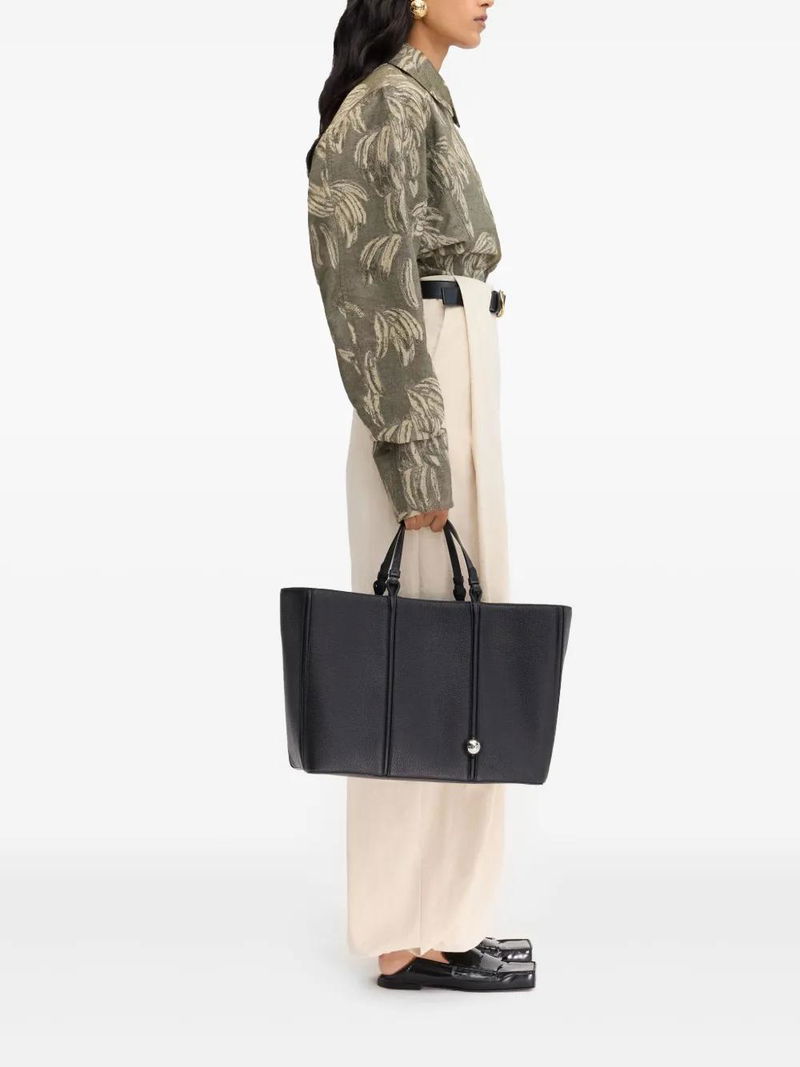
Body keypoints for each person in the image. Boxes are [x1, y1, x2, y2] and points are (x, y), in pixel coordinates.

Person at [306, 0, 534, 992]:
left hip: (455, 375)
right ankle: (406, 933)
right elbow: (367, 293)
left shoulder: (423, 103)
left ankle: (442, 917)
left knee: (456, 659)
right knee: (415, 666)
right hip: (425, 388)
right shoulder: (385, 107)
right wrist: (415, 454)